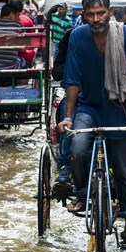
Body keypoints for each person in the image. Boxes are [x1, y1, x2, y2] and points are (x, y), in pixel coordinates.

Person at [57, 0, 126, 252]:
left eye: (101, 13)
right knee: (79, 148)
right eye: (91, 14)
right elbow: (72, 79)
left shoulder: (125, 35)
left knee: (125, 170)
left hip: (117, 108)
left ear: (109, 12)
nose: (96, 19)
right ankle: (84, 193)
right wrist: (68, 116)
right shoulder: (77, 36)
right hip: (88, 107)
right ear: (83, 15)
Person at [51, 27, 74, 184]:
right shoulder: (71, 37)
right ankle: (65, 165)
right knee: (66, 120)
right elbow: (57, 73)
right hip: (75, 96)